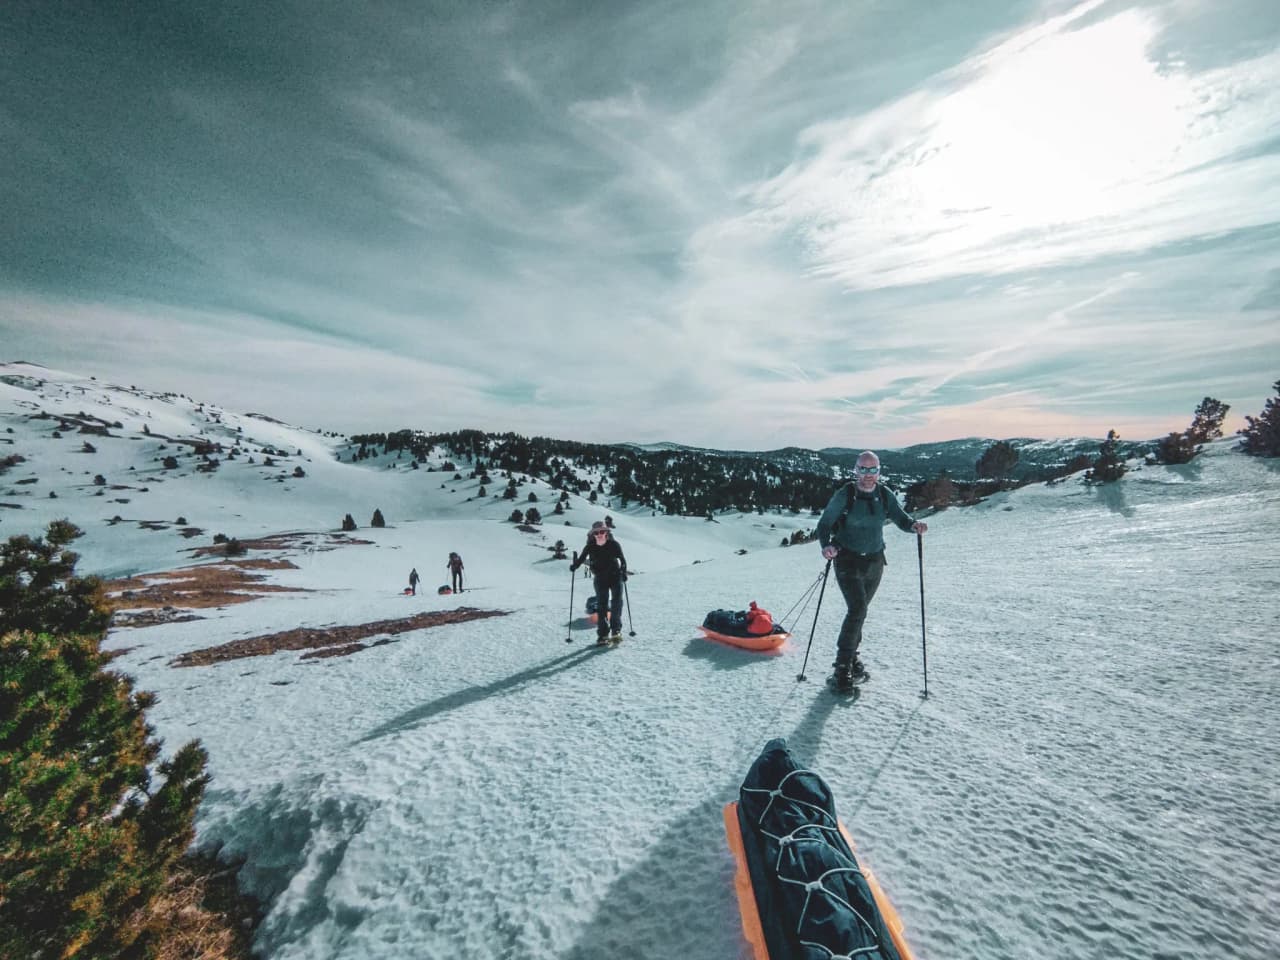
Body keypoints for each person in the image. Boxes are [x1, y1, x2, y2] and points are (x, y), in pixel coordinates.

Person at [815, 451, 927, 691]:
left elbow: (900, 518)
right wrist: (826, 546)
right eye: (863, 469)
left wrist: (913, 526)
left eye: (872, 469)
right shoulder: (845, 494)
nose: (868, 475)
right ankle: (842, 666)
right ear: (855, 470)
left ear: (879, 471)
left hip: (875, 562)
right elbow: (824, 524)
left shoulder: (884, 495)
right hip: (847, 560)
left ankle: (852, 659)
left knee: (861, 612)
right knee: (858, 609)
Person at [571, 520, 628, 645]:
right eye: (596, 533)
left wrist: (623, 571)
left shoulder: (614, 544)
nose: (600, 534)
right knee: (602, 606)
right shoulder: (590, 546)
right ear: (593, 535)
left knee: (616, 603)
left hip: (615, 576)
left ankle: (616, 631)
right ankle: (603, 635)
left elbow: (622, 560)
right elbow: (581, 559)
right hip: (600, 578)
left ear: (607, 532)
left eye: (602, 531)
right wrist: (575, 565)